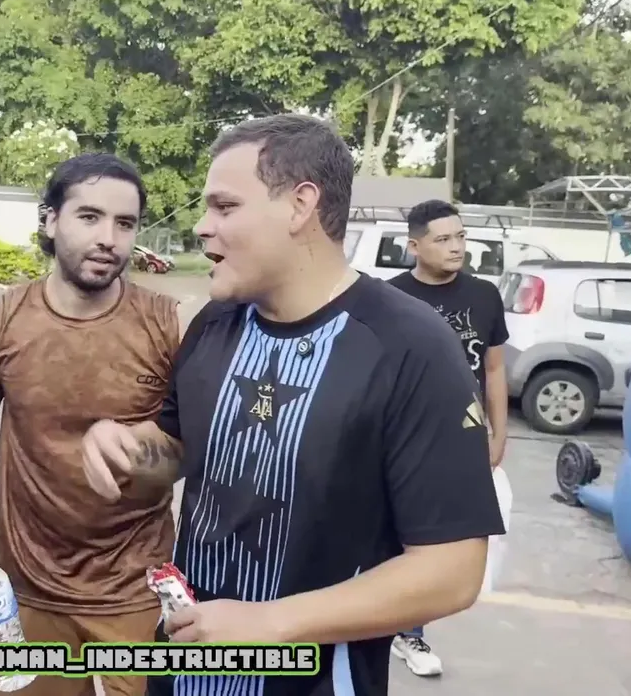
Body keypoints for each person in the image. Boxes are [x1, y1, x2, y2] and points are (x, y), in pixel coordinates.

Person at [80, 114, 505, 696]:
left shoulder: (410, 346)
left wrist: (271, 624)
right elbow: (177, 447)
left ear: (300, 205)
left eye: (225, 207)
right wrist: (127, 448)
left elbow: (453, 571)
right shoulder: (215, 324)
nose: (202, 227)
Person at [0, 153, 184, 696]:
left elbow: (189, 449)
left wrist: (133, 452)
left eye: (125, 224)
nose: (109, 239)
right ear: (50, 220)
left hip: (135, 589)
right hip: (28, 589)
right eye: (89, 217)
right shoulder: (0, 320)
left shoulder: (168, 324)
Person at [384, 198, 510, 676]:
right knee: (388, 533)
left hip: (463, 435)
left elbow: (493, 369)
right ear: (414, 247)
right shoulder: (390, 296)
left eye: (460, 237)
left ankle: (409, 632)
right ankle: (381, 624)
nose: (457, 247)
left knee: (436, 542)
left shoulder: (484, 295)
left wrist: (499, 434)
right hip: (402, 434)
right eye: (443, 239)